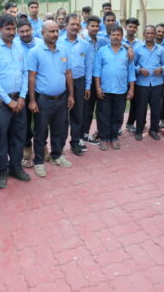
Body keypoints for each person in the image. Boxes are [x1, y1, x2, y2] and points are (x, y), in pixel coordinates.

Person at [0, 14, 31, 189]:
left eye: (13, 29)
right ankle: (2, 170)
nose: (12, 32)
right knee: (1, 137)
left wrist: (23, 97)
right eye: (8, 29)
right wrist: (8, 101)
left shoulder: (18, 46)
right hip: (1, 102)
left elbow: (25, 72)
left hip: (19, 99)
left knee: (19, 135)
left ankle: (15, 167)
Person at [26, 21, 74, 178]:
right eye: (51, 31)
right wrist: (32, 101)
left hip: (61, 98)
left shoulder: (63, 50)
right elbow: (31, 78)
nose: (55, 34)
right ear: (42, 33)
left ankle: (56, 155)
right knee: (40, 131)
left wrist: (71, 95)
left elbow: (68, 74)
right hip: (43, 100)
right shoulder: (35, 52)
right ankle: (39, 161)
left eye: (56, 31)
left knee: (59, 129)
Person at [93, 26, 135, 151]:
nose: (115, 37)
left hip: (121, 90)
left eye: (118, 35)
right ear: (109, 36)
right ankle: (103, 138)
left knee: (118, 116)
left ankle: (114, 137)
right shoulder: (102, 51)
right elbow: (97, 71)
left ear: (122, 36)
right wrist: (98, 88)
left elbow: (131, 72)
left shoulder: (127, 52)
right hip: (105, 89)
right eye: (113, 34)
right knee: (103, 115)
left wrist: (131, 89)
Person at [58, 14, 92, 156]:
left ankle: (75, 142)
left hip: (79, 82)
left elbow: (89, 65)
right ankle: (59, 145)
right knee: (61, 116)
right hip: (62, 83)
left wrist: (87, 86)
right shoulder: (58, 42)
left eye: (77, 24)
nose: (75, 27)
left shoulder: (85, 44)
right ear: (66, 25)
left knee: (78, 114)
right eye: (72, 24)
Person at [132, 25, 164, 141]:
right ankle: (139, 130)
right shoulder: (137, 48)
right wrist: (140, 70)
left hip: (157, 84)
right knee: (141, 108)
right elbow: (132, 65)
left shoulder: (160, 50)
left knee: (156, 108)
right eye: (148, 33)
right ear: (144, 34)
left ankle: (153, 130)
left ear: (155, 35)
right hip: (142, 84)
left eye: (152, 33)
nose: (150, 35)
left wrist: (161, 69)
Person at [17, 18, 43, 167]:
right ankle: (27, 146)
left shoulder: (40, 43)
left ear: (32, 30)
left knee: (41, 119)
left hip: (39, 88)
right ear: (18, 32)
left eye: (27, 30)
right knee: (24, 121)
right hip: (23, 90)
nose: (25, 34)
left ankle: (42, 145)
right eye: (22, 31)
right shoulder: (15, 46)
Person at [81, 15, 108, 147]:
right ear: (87, 27)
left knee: (101, 108)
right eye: (92, 26)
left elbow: (117, 41)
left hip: (101, 79)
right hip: (87, 79)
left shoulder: (102, 41)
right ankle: (84, 134)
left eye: (97, 26)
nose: (95, 28)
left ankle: (100, 133)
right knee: (87, 109)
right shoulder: (82, 42)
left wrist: (128, 47)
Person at [123, 17, 142, 133]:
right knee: (120, 104)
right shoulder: (120, 40)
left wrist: (137, 69)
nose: (132, 29)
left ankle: (130, 123)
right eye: (130, 26)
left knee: (135, 103)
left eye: (134, 27)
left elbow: (141, 61)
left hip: (135, 78)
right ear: (126, 27)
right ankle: (116, 126)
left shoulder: (140, 44)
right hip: (120, 78)